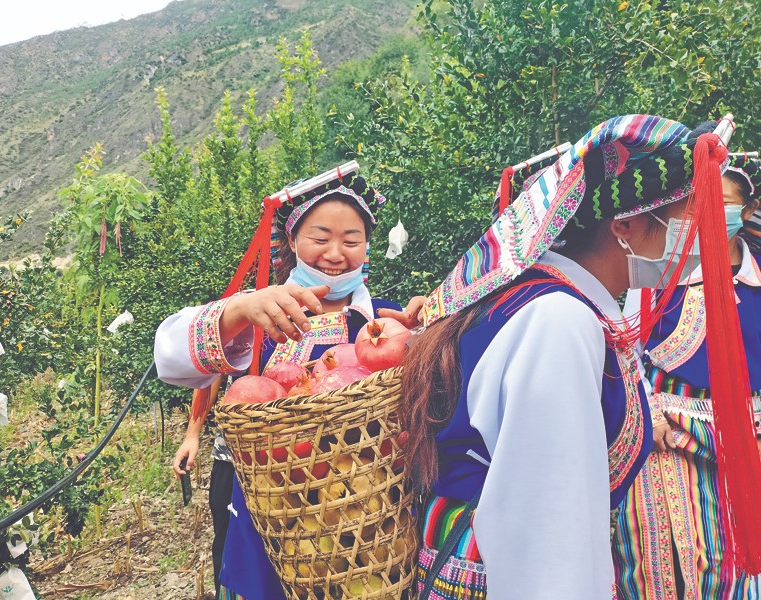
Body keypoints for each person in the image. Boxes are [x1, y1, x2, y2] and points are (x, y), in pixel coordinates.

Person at [399, 115, 760, 599]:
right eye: (693, 215)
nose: (706, 233)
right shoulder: (559, 322)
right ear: (626, 225)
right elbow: (548, 535)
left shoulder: (552, 303)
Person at [155, 168, 413, 599]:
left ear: (367, 246)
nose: (335, 254)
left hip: (365, 512)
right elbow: (171, 358)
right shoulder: (258, 311)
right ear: (292, 241)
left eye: (351, 241)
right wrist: (238, 310)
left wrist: (423, 332)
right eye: (320, 238)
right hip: (271, 506)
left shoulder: (384, 319)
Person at [612, 154, 761, 599]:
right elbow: (625, 348)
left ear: (748, 210)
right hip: (671, 430)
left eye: (724, 202)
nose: (712, 212)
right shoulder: (660, 270)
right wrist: (647, 413)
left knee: (740, 557)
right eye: (702, 202)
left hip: (748, 436)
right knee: (676, 557)